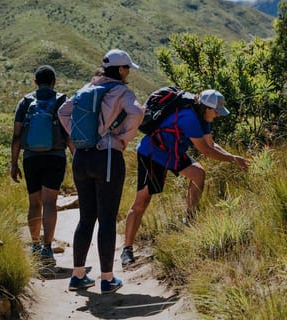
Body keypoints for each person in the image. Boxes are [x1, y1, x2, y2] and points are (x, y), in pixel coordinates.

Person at [120, 89, 250, 266]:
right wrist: (234, 160)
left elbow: (211, 144)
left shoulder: (203, 117)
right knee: (142, 201)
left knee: (198, 174)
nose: (218, 116)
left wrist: (234, 158)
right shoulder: (189, 118)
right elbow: (206, 150)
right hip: (153, 153)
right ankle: (127, 249)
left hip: (173, 152)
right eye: (216, 112)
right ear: (206, 108)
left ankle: (189, 219)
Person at [58, 49, 144, 293]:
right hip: (107, 157)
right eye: (127, 68)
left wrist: (79, 137)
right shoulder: (121, 91)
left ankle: (77, 276)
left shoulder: (86, 89)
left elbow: (63, 112)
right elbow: (137, 112)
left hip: (81, 158)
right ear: (119, 69)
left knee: (86, 218)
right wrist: (122, 137)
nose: (128, 72)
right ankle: (107, 279)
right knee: (106, 218)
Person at [10, 65, 69, 267]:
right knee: (50, 203)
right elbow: (69, 134)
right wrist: (77, 158)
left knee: (34, 203)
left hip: (30, 158)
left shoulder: (25, 102)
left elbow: (17, 135)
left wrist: (13, 163)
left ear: (35, 82)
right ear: (54, 82)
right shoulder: (62, 101)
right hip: (55, 156)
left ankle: (34, 246)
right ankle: (47, 248)